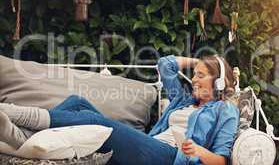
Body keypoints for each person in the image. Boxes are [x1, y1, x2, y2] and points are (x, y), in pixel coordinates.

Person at [0, 55, 239, 165]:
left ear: (218, 82)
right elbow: (165, 65)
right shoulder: (182, 100)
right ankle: (27, 138)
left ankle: (13, 115)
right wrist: (197, 61)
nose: (194, 79)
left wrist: (197, 150)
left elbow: (222, 160)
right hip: (152, 146)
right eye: (194, 74)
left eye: (201, 76)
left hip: (172, 158)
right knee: (76, 103)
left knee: (96, 123)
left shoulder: (225, 110)